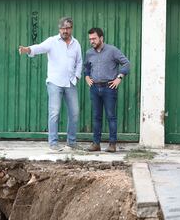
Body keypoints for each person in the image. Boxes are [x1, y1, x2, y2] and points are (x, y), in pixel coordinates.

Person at [18, 17, 82, 151]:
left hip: (70, 82)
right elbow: (39, 47)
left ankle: (71, 142)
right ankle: (53, 143)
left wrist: (77, 75)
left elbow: (79, 61)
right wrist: (27, 49)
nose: (65, 30)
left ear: (71, 28)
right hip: (55, 82)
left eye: (68, 28)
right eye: (63, 28)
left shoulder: (76, 44)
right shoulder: (52, 41)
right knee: (55, 112)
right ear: (59, 29)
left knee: (75, 113)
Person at [84, 28, 130, 153]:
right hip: (94, 88)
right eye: (90, 39)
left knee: (111, 116)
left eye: (94, 38)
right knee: (96, 117)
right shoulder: (89, 53)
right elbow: (86, 67)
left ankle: (112, 144)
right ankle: (96, 144)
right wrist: (87, 77)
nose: (92, 41)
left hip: (109, 88)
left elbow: (126, 63)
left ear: (101, 38)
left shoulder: (112, 50)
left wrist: (119, 77)